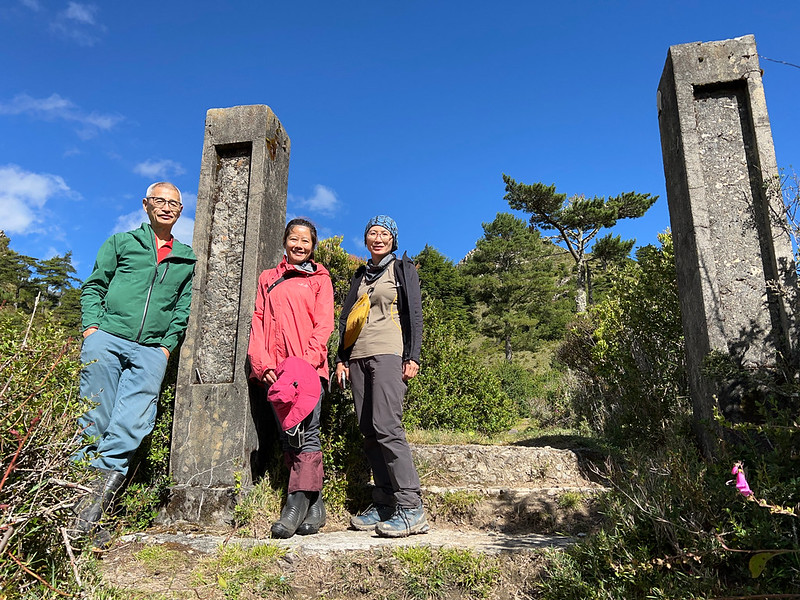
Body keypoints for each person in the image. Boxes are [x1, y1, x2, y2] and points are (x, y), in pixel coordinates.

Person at [74, 182, 196, 540]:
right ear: (145, 205)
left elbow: (182, 309)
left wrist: (165, 347)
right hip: (107, 339)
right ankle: (74, 507)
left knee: (132, 425)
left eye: (174, 203)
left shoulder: (186, 257)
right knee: (93, 417)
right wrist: (92, 329)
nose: (167, 207)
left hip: (150, 351)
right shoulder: (122, 243)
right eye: (160, 201)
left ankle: (91, 512)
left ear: (180, 210)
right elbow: (95, 285)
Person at [335, 215, 428, 538]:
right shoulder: (360, 275)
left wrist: (412, 356)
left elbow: (414, 313)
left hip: (389, 352)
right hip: (357, 356)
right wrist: (341, 358)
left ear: (393, 239)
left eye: (384, 233)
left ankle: (411, 506)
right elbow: (347, 319)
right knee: (368, 429)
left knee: (388, 426)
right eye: (372, 232)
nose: (378, 237)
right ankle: (386, 501)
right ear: (366, 239)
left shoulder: (402, 269)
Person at [247, 218, 334, 538]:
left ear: (313, 247)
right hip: (276, 373)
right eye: (294, 239)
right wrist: (263, 363)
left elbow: (324, 326)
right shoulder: (268, 278)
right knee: (289, 438)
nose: (299, 245)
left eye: (306, 241)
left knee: (307, 435)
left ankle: (294, 504)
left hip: (308, 372)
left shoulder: (320, 279)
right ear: (285, 242)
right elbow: (258, 321)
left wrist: (305, 365)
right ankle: (315, 504)